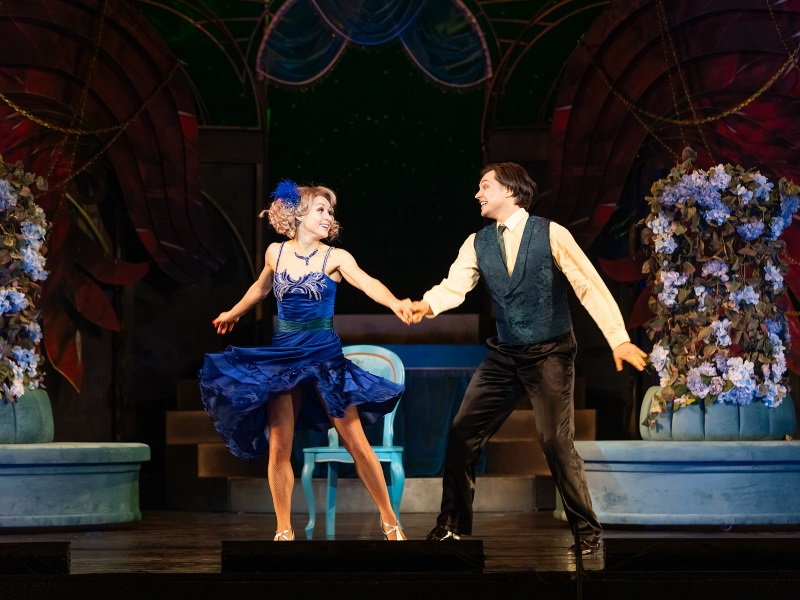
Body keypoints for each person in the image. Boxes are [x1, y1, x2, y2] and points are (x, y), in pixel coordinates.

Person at [410, 162, 647, 554]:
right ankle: (450, 525)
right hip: (505, 354)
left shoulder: (551, 233)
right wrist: (427, 305)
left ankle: (587, 532)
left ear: (510, 190)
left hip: (550, 351)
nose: (477, 194)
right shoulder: (477, 242)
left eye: (484, 186)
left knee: (555, 440)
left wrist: (618, 339)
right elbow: (455, 286)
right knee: (462, 433)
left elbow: (588, 285)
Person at [200, 180, 412, 542]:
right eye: (321, 209)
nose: (329, 217)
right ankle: (283, 528)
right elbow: (260, 288)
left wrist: (395, 302)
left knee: (357, 444)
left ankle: (390, 521)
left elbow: (368, 282)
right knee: (279, 447)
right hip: (285, 357)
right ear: (298, 215)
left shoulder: (337, 258)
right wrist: (233, 312)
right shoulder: (275, 252)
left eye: (331, 211)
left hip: (324, 357)